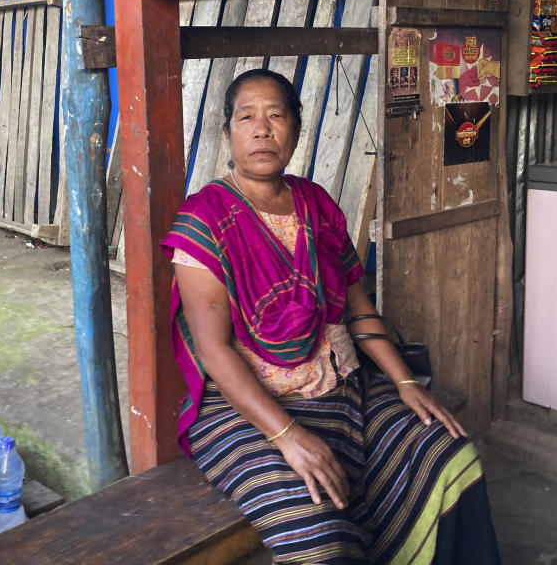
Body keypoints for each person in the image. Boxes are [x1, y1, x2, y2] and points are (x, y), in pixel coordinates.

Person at [162, 69, 501, 564]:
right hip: (248, 410)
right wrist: (288, 437)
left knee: (450, 456)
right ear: (228, 130)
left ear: (295, 128)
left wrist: (405, 383)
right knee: (318, 534)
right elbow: (212, 349)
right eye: (247, 117)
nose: (262, 129)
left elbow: (359, 309)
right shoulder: (205, 220)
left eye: (276, 115)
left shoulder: (315, 203)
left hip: (343, 391)